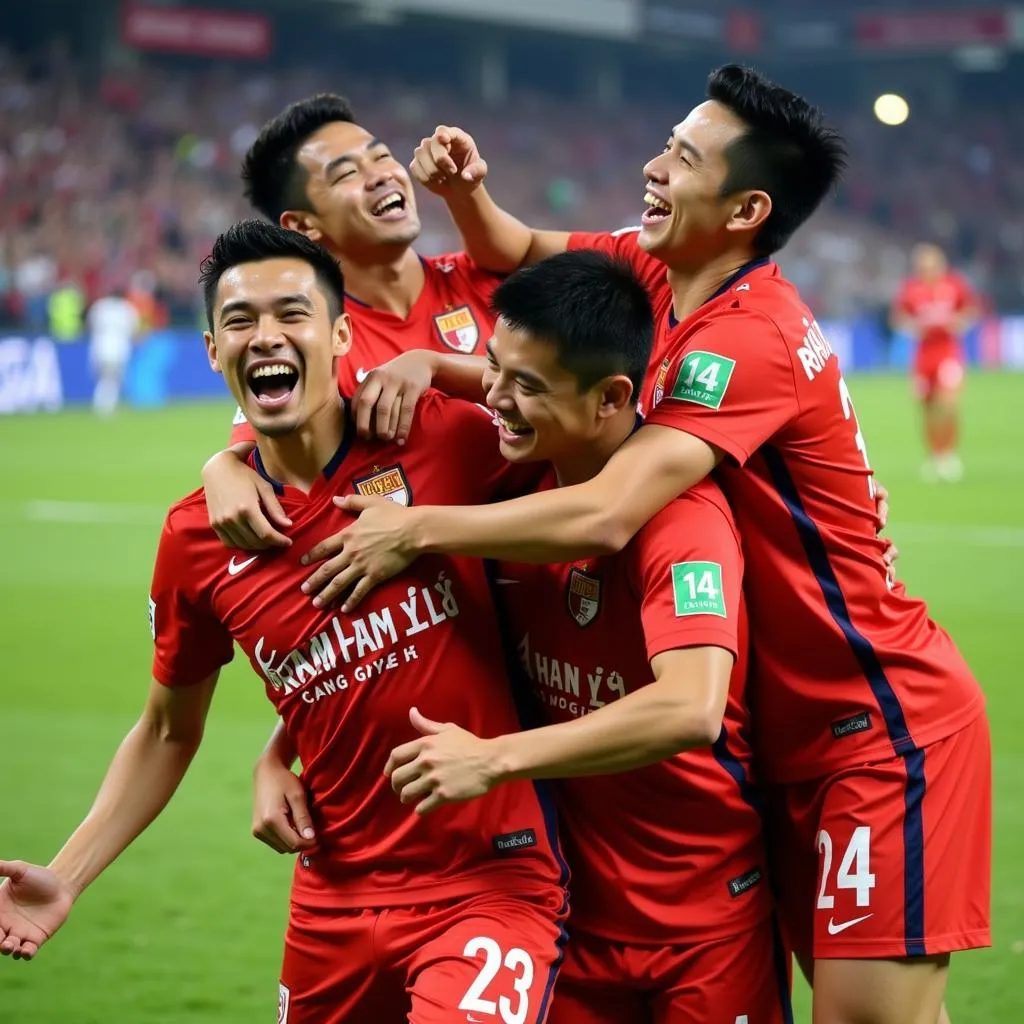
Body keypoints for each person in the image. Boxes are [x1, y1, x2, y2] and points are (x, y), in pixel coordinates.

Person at [295, 66, 990, 1024]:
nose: (654, 165)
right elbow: (519, 251)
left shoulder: (751, 335)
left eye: (684, 157)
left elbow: (605, 509)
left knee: (870, 1020)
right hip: (776, 733)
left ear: (746, 208)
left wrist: (418, 527)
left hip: (871, 719)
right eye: (667, 142)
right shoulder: (653, 267)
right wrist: (465, 203)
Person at [0, 221, 570, 1024]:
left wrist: (442, 367)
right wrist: (68, 873)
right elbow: (168, 729)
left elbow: (590, 421)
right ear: (211, 351)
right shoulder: (196, 539)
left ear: (341, 333)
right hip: (332, 897)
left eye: (292, 313)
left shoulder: (442, 441)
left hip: (488, 880)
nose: (266, 336)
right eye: (240, 321)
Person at [255, 250, 793, 1023]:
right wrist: (279, 751)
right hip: (562, 909)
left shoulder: (682, 522)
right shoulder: (502, 479)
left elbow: (688, 709)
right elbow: (401, 635)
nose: (497, 401)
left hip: (701, 917)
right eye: (494, 370)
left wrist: (493, 759)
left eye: (526, 387)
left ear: (612, 397)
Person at [204, 95, 528, 549]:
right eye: (347, 173)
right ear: (303, 226)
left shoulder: (495, 282)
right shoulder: (319, 343)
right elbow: (257, 454)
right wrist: (223, 467)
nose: (381, 175)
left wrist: (434, 364)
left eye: (381, 156)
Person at [891, 243, 979, 483]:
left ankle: (948, 453)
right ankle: (935, 455)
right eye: (922, 266)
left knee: (948, 403)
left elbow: (971, 309)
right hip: (923, 356)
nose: (927, 269)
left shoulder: (954, 285)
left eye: (931, 264)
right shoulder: (912, 289)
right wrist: (912, 327)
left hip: (948, 352)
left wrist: (959, 322)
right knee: (927, 408)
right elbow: (898, 318)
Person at [86, 286, 141, 416]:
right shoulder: (127, 309)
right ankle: (104, 408)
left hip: (99, 347)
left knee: (104, 379)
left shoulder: (99, 306)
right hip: (118, 350)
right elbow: (135, 331)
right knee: (111, 380)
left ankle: (105, 406)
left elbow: (89, 325)